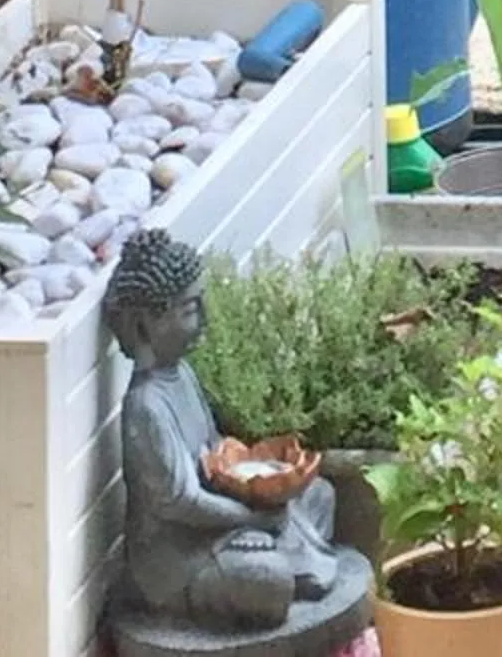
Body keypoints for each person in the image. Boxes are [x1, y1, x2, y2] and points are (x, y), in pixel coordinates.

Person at [104, 228, 343, 632]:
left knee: (320, 494)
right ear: (143, 326)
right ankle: (274, 568)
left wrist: (256, 481)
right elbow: (182, 504)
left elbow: (214, 449)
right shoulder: (146, 406)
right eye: (190, 309)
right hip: (179, 554)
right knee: (264, 578)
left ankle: (282, 555)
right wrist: (250, 520)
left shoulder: (182, 375)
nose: (205, 319)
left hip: (219, 517)